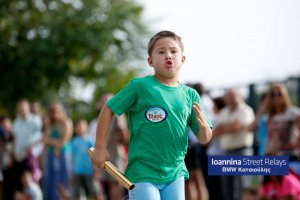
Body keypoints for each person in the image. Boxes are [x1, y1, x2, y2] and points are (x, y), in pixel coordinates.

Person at [89, 30, 213, 200]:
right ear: (150, 61)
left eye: (173, 51)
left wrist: (205, 129)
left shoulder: (191, 95)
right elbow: (108, 109)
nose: (168, 56)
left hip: (175, 173)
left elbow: (204, 138)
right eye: (161, 52)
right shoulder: (140, 86)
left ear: (182, 59)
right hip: (142, 173)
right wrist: (100, 147)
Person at [213, 88, 255, 200]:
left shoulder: (246, 110)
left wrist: (224, 128)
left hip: (242, 151)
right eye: (228, 95)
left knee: (241, 188)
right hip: (226, 153)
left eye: (233, 95)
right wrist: (229, 126)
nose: (231, 98)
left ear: (240, 96)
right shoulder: (224, 112)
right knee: (227, 189)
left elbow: (236, 126)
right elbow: (215, 132)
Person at [42, 102, 73, 200]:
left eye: (58, 111)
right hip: (51, 153)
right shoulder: (49, 123)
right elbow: (45, 139)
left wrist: (53, 142)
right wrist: (55, 142)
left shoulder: (67, 122)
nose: (55, 113)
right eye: (53, 111)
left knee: (63, 178)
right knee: (50, 178)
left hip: (64, 154)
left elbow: (64, 139)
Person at [12, 99, 42, 192]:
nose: (22, 111)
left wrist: (35, 153)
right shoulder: (16, 122)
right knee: (20, 184)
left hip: (30, 156)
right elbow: (15, 139)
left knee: (31, 183)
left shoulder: (35, 121)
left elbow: (40, 138)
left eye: (24, 108)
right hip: (18, 156)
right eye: (20, 109)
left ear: (28, 108)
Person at [71, 119, 103, 200]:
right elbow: (72, 157)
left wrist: (96, 168)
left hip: (89, 171)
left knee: (95, 191)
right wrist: (72, 171)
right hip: (77, 171)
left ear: (86, 128)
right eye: (78, 127)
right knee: (77, 193)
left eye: (82, 127)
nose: (80, 129)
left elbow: (95, 155)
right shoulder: (74, 141)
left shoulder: (90, 140)